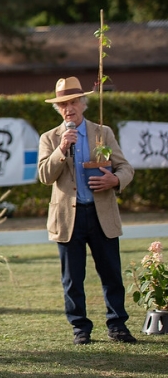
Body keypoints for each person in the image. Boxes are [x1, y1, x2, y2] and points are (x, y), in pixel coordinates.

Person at [37, 77, 136, 345]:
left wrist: (114, 180)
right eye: (63, 104)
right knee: (72, 279)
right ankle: (80, 329)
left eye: (73, 102)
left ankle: (117, 326)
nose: (69, 108)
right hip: (68, 218)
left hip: (101, 213)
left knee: (112, 274)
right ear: (58, 109)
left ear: (83, 103)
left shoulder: (103, 133)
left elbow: (125, 168)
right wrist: (61, 149)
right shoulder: (50, 138)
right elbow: (45, 176)